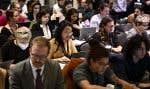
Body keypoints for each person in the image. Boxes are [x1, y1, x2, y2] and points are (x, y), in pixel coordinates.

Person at [73, 38, 140, 89]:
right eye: (100, 63)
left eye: (106, 64)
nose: (104, 67)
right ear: (92, 61)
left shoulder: (105, 67)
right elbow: (88, 87)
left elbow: (116, 80)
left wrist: (129, 86)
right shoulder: (80, 71)